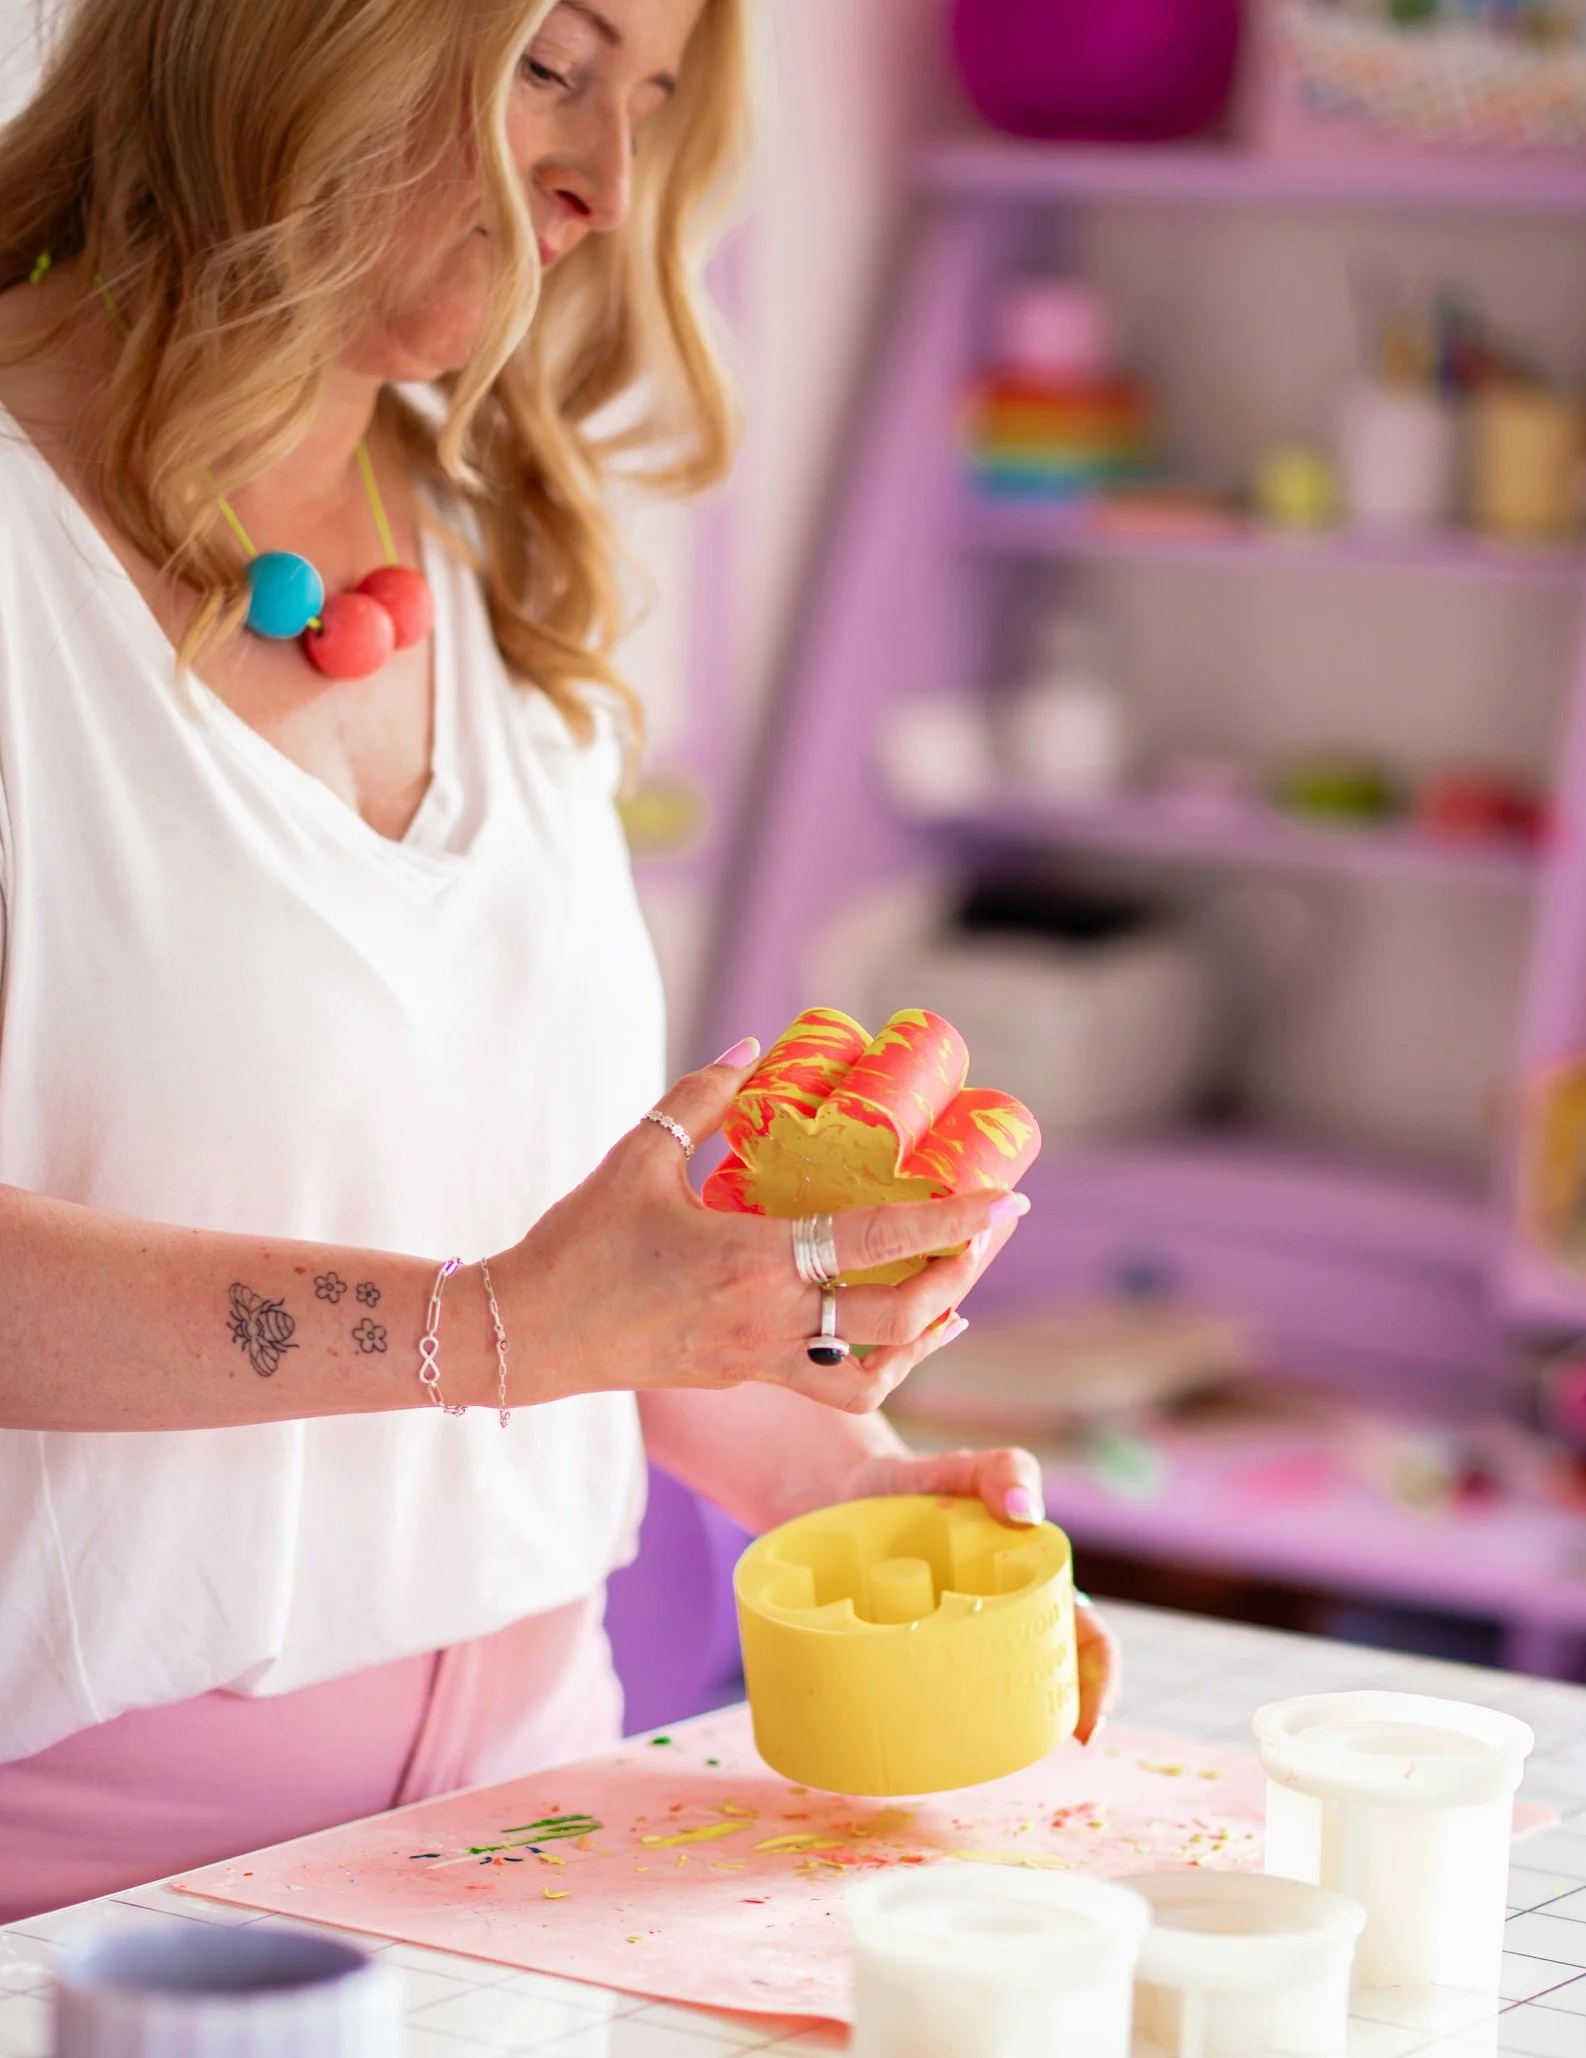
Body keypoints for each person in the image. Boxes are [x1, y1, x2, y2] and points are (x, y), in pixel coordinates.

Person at [0, 0, 1116, 1921]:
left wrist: (826, 1470)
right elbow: (510, 1310)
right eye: (551, 66)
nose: (603, 182)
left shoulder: (489, 545)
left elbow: (556, 1261)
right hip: (77, 1893)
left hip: (545, 1809)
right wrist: (503, 1324)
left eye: (650, 102)